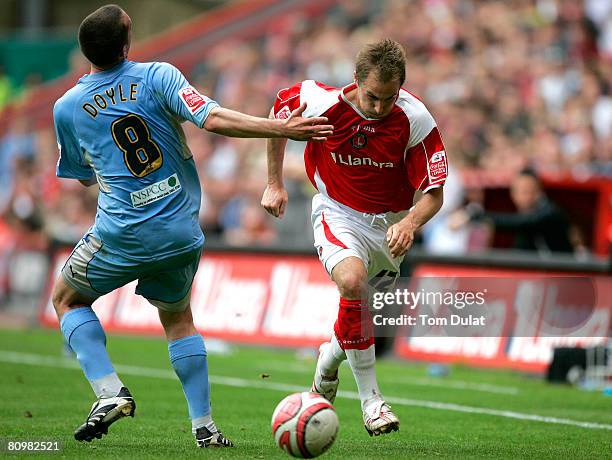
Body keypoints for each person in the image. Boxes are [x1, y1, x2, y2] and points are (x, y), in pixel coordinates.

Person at [51, 4, 332, 448]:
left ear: (84, 50)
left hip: (121, 232)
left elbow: (81, 174)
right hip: (180, 230)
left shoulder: (66, 107)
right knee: (179, 319)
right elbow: (213, 118)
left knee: (67, 298)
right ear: (127, 44)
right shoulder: (158, 76)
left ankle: (108, 391)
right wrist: (279, 128)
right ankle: (205, 428)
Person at [261, 38, 446, 436]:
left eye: (389, 98)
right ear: (355, 81)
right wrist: (274, 183)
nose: (379, 108)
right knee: (352, 282)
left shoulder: (415, 119)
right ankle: (372, 403)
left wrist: (410, 223)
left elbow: (435, 193)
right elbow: (276, 116)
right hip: (337, 212)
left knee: (357, 311)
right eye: (372, 97)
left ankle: (327, 360)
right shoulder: (320, 103)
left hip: (390, 228)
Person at [450, 168, 574, 254]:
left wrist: (474, 215)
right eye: (518, 191)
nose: (522, 196)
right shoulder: (526, 215)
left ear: (539, 191)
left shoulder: (549, 212)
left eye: (528, 190)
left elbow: (523, 223)